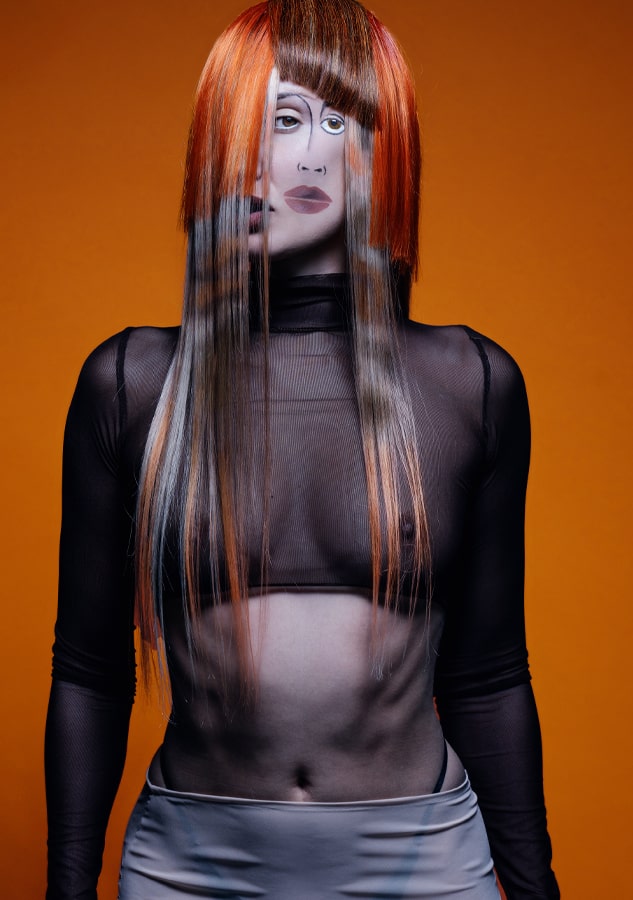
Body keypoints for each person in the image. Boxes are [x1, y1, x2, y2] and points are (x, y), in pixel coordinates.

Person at [45, 1, 560, 897]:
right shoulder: (130, 384)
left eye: (315, 120)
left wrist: (535, 887)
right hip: (190, 866)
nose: (285, 154)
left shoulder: (468, 383)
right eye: (259, 122)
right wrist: (65, 887)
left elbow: (487, 677)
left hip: (421, 863)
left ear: (380, 148)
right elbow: (90, 674)